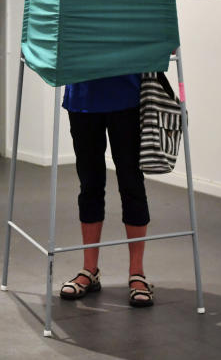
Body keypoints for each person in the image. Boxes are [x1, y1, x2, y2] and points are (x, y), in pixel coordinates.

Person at [59, 74, 154, 308]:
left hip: (127, 96)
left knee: (131, 183)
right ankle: (89, 270)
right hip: (83, 97)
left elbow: (167, 44)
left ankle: (137, 273)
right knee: (90, 185)